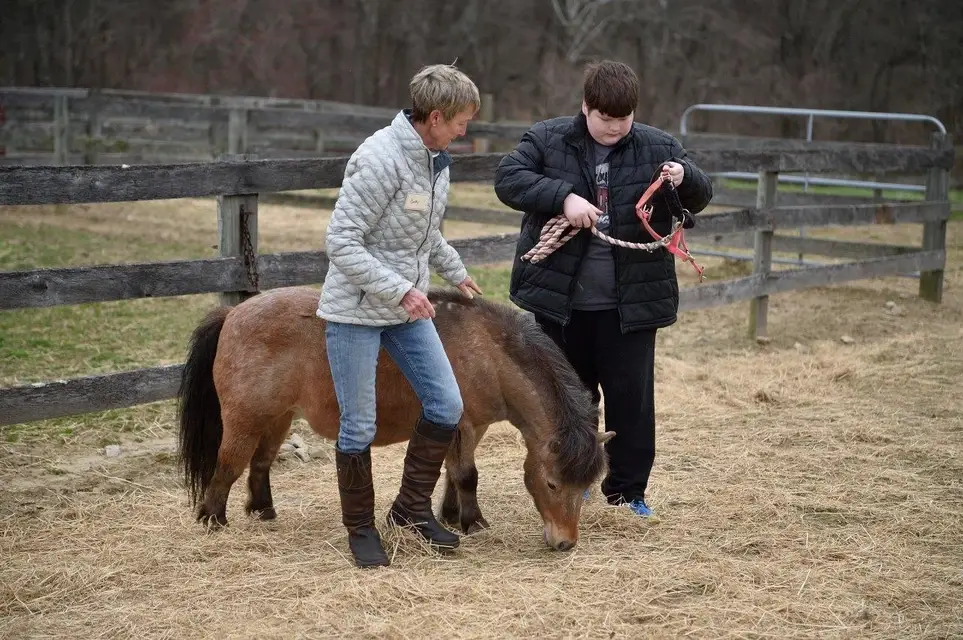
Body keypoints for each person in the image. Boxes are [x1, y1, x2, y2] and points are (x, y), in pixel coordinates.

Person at [493, 60, 712, 518]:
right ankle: (577, 478)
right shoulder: (548, 138)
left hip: (630, 303)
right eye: (605, 118)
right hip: (561, 303)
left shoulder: (658, 146)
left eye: (623, 119)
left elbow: (701, 193)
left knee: (630, 400)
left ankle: (628, 491)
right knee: (571, 401)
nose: (614, 128)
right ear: (585, 107)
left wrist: (683, 178)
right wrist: (562, 197)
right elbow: (508, 179)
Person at [317, 64, 484, 568]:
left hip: (405, 307)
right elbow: (340, 242)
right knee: (359, 424)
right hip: (357, 310)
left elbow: (426, 233)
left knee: (446, 404)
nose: (464, 132)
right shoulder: (379, 159)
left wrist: (456, 273)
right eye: (460, 122)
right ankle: (361, 529)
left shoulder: (435, 161)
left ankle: (410, 511)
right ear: (435, 116)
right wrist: (402, 290)